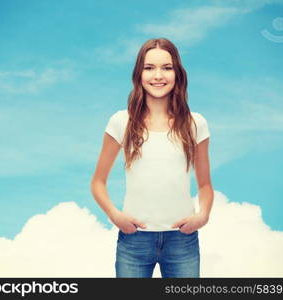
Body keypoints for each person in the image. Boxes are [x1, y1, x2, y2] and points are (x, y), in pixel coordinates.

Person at [90, 37, 214, 278]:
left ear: (177, 73)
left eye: (166, 68)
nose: (158, 75)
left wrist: (203, 216)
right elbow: (97, 182)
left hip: (182, 241)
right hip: (134, 241)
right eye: (149, 68)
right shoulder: (120, 121)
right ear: (139, 74)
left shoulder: (196, 123)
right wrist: (115, 216)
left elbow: (205, 185)